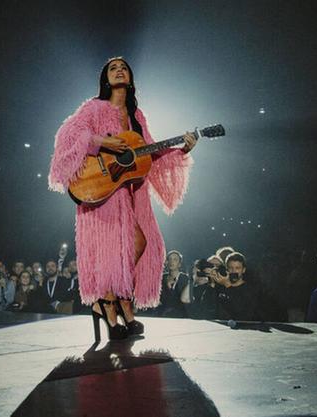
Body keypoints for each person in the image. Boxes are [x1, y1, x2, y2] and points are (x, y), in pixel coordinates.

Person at [48, 56, 197, 340]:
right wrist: (101, 141)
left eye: (123, 68)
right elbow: (69, 134)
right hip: (100, 190)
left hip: (126, 196)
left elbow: (148, 154)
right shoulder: (94, 107)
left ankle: (110, 300)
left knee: (141, 242)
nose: (119, 70)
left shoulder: (136, 117)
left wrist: (182, 150)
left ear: (130, 79)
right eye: (113, 68)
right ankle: (114, 304)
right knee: (113, 248)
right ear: (106, 78)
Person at [159, 250, 191, 317]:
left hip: (179, 316)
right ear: (166, 262)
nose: (171, 262)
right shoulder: (162, 278)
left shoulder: (184, 278)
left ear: (179, 264)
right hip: (162, 315)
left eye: (175, 259)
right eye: (169, 259)